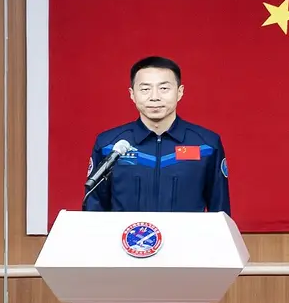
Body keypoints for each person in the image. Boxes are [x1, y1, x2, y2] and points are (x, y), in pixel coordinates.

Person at [83, 56, 231, 215]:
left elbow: (220, 212)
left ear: (179, 92)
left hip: (187, 240)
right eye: (145, 89)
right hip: (123, 239)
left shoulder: (206, 145)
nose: (154, 97)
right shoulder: (109, 145)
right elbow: (94, 209)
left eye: (164, 88)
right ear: (132, 94)